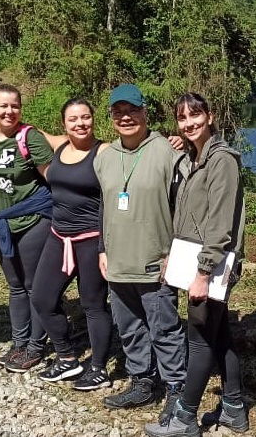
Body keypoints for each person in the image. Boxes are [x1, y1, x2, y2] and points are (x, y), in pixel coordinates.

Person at [144, 93, 248, 437]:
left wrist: (203, 272)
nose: (189, 123)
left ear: (211, 116)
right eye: (182, 118)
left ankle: (185, 419)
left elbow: (220, 225)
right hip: (196, 258)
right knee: (219, 335)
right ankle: (234, 409)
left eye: (195, 115)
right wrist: (173, 255)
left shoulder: (223, 161)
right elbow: (187, 217)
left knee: (200, 336)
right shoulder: (192, 158)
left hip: (212, 263)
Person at [94, 83, 186, 421]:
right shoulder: (105, 157)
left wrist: (175, 252)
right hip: (117, 262)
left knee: (164, 328)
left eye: (132, 110)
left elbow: (185, 208)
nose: (126, 116)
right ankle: (142, 381)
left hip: (155, 262)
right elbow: (103, 205)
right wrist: (102, 249)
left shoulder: (167, 151)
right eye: (118, 111)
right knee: (129, 327)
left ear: (145, 112)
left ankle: (176, 388)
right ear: (112, 117)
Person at [31, 98, 113, 390]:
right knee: (41, 298)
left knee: (93, 305)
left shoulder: (103, 151)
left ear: (93, 119)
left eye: (85, 117)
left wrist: (174, 143)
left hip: (91, 240)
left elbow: (136, 152)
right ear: (64, 124)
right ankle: (67, 358)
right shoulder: (61, 146)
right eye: (73, 119)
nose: (80, 123)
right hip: (58, 236)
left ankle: (100, 368)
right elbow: (31, 133)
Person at [0, 84, 55, 372]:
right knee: (15, 287)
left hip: (33, 220)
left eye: (15, 106)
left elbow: (53, 178)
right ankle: (19, 342)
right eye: (3, 106)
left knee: (34, 286)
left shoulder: (30, 138)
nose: (9, 111)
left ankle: (36, 345)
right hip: (2, 222)